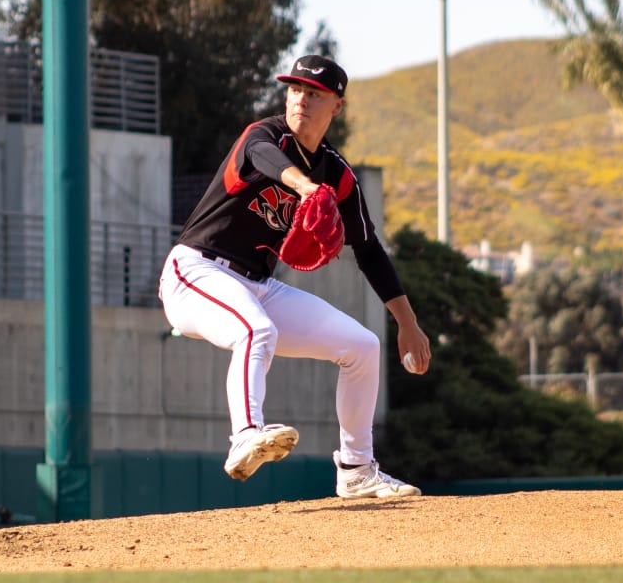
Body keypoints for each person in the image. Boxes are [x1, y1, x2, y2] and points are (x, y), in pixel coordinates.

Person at [156, 55, 432, 499]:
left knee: (362, 347)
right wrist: (305, 188)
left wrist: (407, 322)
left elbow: (369, 250)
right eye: (295, 89)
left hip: (257, 285)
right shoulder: (263, 135)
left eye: (314, 93)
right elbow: (263, 157)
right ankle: (246, 434)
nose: (301, 98)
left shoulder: (337, 174)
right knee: (255, 330)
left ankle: (357, 470)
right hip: (195, 271)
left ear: (336, 106)